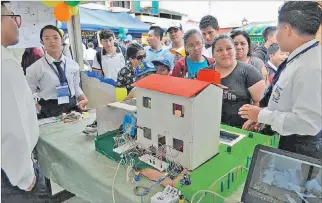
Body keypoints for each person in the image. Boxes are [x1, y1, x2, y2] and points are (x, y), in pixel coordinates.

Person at [238, 1, 322, 159]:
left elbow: (308, 123)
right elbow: (287, 102)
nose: (276, 36)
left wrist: (261, 115)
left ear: (287, 30)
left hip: (301, 152)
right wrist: (264, 116)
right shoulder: (299, 57)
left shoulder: (311, 67)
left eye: (277, 29)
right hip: (289, 142)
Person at [1, 1, 50, 202]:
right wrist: (24, 176)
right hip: (12, 175)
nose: (17, 23)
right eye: (13, 17)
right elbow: (12, 124)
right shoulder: (5, 63)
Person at [26, 25, 88, 119]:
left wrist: (83, 98)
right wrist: (39, 108)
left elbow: (75, 86)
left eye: (55, 37)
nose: (52, 41)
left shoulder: (73, 65)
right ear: (42, 42)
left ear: (62, 40)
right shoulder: (34, 68)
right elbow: (29, 93)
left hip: (71, 106)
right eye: (47, 38)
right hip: (48, 108)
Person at [209, 35, 265, 128]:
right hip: (210, 128)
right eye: (219, 50)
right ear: (213, 54)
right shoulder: (205, 73)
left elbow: (261, 102)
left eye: (229, 48)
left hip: (241, 131)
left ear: (235, 50)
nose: (225, 53)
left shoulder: (249, 72)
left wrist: (254, 120)